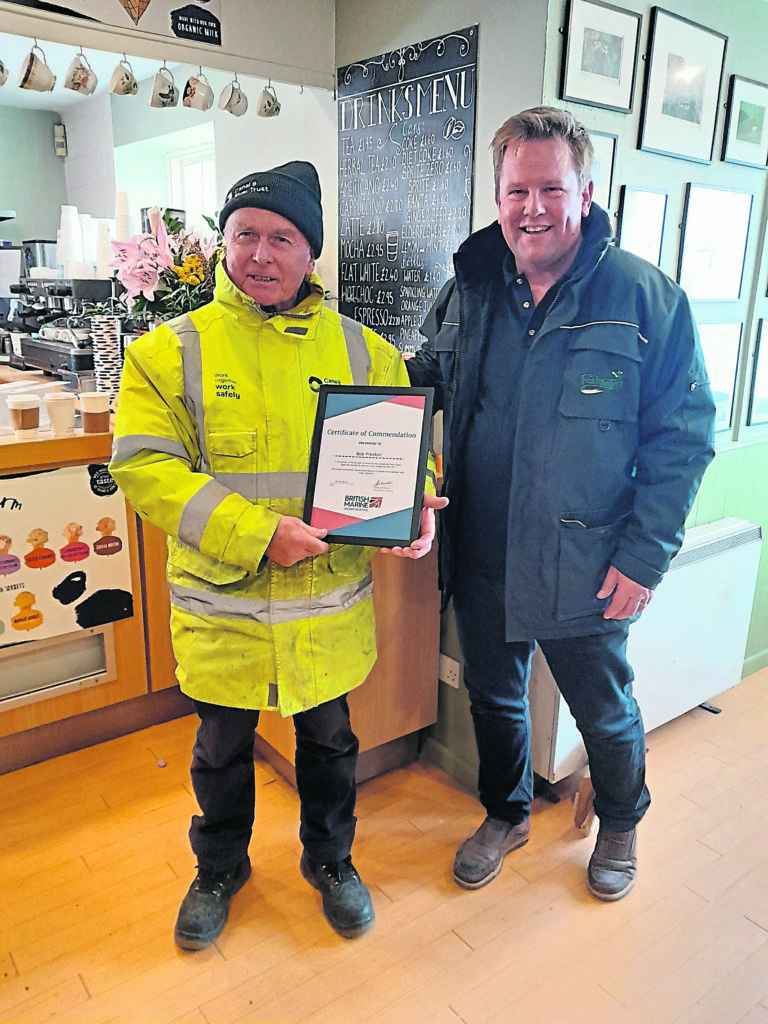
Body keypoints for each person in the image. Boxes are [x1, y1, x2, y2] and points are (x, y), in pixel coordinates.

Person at [109, 161, 444, 948]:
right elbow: (144, 468)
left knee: (329, 744)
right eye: (245, 234)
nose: (260, 253)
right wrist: (260, 532)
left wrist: (413, 503)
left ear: (311, 254)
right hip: (221, 609)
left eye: (282, 238)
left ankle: (331, 861)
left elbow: (407, 453)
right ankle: (219, 867)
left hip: (324, 612)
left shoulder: (365, 352)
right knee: (221, 747)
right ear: (223, 245)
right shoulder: (168, 351)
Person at [406, 107, 715, 901]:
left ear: (586, 190)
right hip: (481, 549)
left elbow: (682, 440)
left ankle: (620, 820)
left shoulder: (646, 298)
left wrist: (645, 557)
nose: (532, 207)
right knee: (494, 696)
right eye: (517, 189)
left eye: (551, 187)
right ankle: (506, 813)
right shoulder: (467, 290)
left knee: (603, 710)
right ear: (498, 193)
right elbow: (419, 394)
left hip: (590, 559)